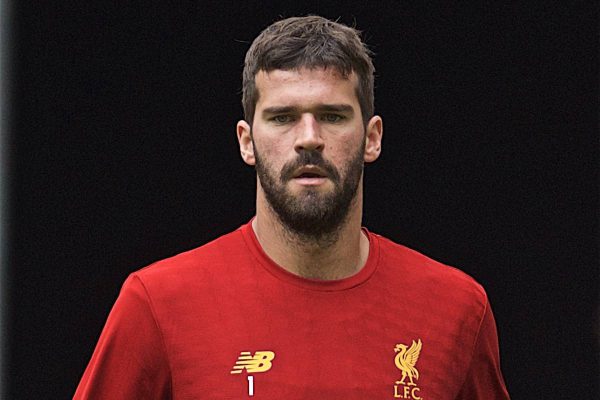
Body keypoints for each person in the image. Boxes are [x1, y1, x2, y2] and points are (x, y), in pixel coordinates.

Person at [74, 15, 510, 399]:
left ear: (372, 137)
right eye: (282, 117)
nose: (308, 137)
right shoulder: (157, 304)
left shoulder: (455, 311)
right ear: (247, 141)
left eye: (333, 116)